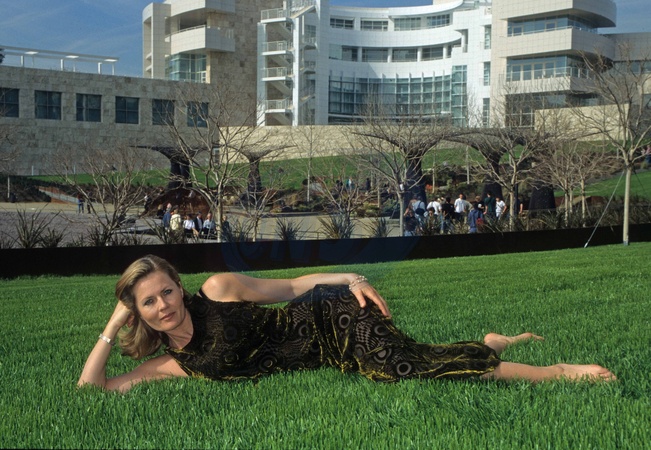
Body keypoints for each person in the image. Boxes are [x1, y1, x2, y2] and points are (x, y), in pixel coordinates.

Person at [78, 255, 616, 393]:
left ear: (179, 285)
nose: (163, 305)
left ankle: (557, 373)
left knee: (403, 368)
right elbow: (92, 387)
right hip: (329, 357)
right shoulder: (174, 363)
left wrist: (350, 278)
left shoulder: (218, 288)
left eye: (166, 291)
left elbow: (292, 287)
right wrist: (113, 318)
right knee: (414, 359)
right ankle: (488, 343)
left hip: (329, 317)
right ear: (138, 313)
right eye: (147, 303)